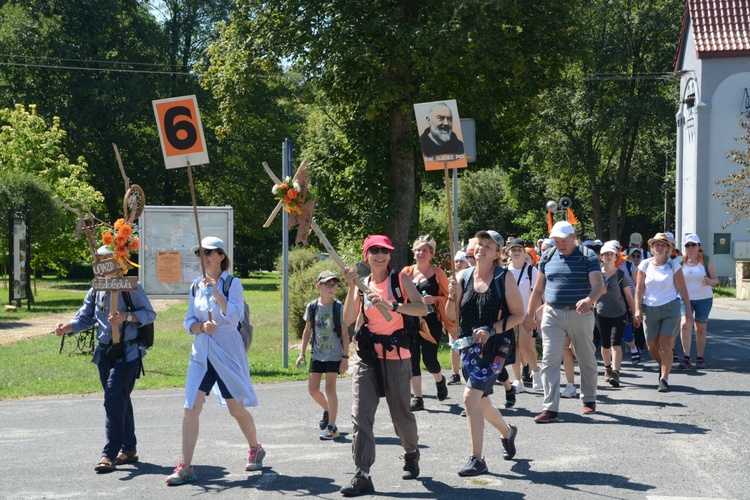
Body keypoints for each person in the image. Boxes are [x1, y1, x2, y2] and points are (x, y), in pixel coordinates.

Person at [166, 237, 262, 486]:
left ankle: (255, 448)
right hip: (201, 355)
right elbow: (188, 321)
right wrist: (200, 326)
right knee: (190, 408)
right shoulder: (195, 286)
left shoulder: (233, 283)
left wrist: (217, 293)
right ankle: (186, 466)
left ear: (221, 256)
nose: (204, 257)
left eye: (209, 252)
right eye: (200, 253)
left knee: (236, 409)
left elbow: (234, 317)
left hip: (227, 354)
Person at [55, 246, 156, 473]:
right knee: (120, 399)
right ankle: (129, 449)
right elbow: (85, 317)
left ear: (118, 260)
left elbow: (150, 314)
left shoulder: (132, 287)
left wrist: (126, 317)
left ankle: (109, 454)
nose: (102, 263)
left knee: (113, 399)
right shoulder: (97, 288)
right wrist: (67, 327)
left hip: (127, 354)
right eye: (99, 259)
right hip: (104, 354)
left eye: (107, 258)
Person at [340, 235, 428, 497]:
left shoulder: (399, 280)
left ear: (390, 256)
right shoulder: (361, 284)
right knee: (360, 413)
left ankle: (411, 451)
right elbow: (347, 318)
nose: (380, 255)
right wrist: (350, 286)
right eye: (375, 251)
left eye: (385, 251)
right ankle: (363, 473)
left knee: (400, 414)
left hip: (397, 356)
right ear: (366, 255)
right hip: (368, 357)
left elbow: (422, 309)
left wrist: (394, 306)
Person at [446, 230, 524, 477]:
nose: (481, 248)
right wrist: (451, 296)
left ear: (498, 253)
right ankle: (508, 432)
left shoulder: (505, 277)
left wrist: (491, 330)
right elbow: (450, 316)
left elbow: (519, 315)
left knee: (470, 397)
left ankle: (477, 459)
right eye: (479, 244)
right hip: (470, 346)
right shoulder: (462, 276)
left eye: (488, 246)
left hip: (496, 345)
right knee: (481, 401)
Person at [528, 221, 605, 423]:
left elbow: (599, 286)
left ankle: (589, 398)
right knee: (550, 360)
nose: (560, 244)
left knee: (586, 357)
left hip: (581, 314)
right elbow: (537, 290)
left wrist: (589, 300)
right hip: (552, 313)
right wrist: (529, 316)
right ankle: (550, 407)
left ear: (574, 236)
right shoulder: (548, 255)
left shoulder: (588, 255)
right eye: (556, 241)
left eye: (564, 240)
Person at [634, 233, 693, 393]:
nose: (659, 248)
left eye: (662, 245)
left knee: (666, 344)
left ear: (668, 248)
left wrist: (688, 311)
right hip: (650, 308)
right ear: (651, 248)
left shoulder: (674, 265)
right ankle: (663, 366)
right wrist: (637, 309)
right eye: (656, 245)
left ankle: (664, 378)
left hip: (670, 307)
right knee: (651, 345)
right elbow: (639, 289)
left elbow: (683, 289)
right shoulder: (644, 265)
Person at [296, 270, 349, 439]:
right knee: (313, 389)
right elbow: (307, 330)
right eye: (327, 284)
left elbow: (345, 334)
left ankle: (332, 427)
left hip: (334, 354)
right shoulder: (312, 306)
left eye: (334, 284)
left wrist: (345, 358)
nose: (332, 288)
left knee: (330, 388)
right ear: (319, 286)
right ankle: (327, 409)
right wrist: (302, 353)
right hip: (317, 354)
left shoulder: (339, 307)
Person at [403, 235, 455, 410]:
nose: (421, 253)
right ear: (413, 253)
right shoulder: (406, 272)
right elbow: (399, 294)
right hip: (410, 321)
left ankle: (440, 381)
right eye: (418, 249)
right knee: (412, 359)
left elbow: (449, 297)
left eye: (425, 250)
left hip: (431, 321)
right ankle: (418, 398)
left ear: (431, 254)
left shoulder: (438, 273)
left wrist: (435, 299)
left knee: (430, 359)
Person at [596, 241, 640, 388]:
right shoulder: (596, 275)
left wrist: (635, 314)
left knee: (616, 343)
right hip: (601, 313)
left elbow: (628, 296)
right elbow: (591, 294)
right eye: (605, 254)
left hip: (619, 313)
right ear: (601, 257)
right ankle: (607, 368)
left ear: (616, 257)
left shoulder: (621, 274)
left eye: (611, 254)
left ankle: (616, 372)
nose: (608, 257)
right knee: (605, 344)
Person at [505, 238, 541, 393]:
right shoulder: (504, 270)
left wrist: (536, 317)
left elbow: (536, 294)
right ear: (508, 252)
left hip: (526, 314)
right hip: (509, 315)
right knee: (513, 349)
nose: (516, 252)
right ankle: (517, 380)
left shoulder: (531, 270)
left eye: (519, 249)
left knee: (525, 347)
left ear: (524, 252)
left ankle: (536, 370)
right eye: (513, 250)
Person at [677, 234, 718, 369]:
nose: (690, 248)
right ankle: (686, 357)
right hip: (685, 298)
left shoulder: (705, 260)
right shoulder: (679, 261)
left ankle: (700, 357)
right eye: (687, 245)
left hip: (704, 299)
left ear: (698, 246)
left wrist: (708, 281)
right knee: (684, 325)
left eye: (693, 245)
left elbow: (716, 281)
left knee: (700, 328)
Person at [448, 251, 471, 384]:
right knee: (454, 345)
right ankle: (455, 373)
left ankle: (469, 370)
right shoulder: (451, 279)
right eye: (456, 261)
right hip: (454, 317)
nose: (458, 263)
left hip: (467, 318)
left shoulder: (470, 277)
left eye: (461, 261)